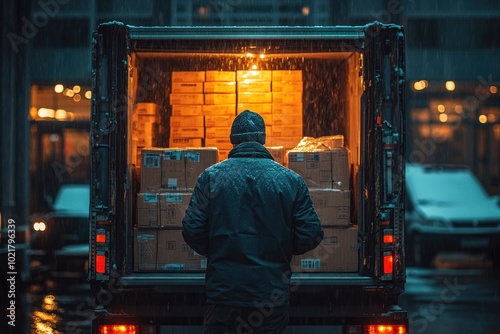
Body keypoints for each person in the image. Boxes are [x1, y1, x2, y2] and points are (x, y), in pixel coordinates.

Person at [182, 110, 324, 334]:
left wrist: (220, 249)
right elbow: (312, 233)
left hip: (224, 293)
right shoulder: (290, 180)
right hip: (269, 296)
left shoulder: (210, 178)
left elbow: (192, 229)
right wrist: (282, 248)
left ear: (232, 140)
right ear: (263, 139)